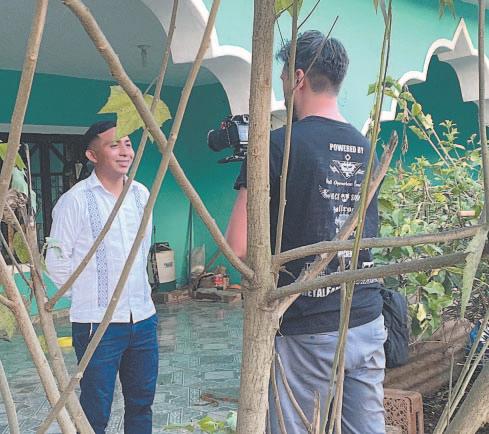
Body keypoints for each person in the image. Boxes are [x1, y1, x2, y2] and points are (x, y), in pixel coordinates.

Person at [226, 31, 386, 434]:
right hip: (366, 316)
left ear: (298, 77)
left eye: (283, 75)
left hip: (307, 326)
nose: (281, 83)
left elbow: (238, 246)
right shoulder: (368, 149)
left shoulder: (276, 146)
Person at [46, 121, 158, 434]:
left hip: (143, 319)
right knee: (95, 412)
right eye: (113, 145)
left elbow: (142, 250)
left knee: (141, 404)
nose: (125, 152)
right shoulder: (75, 201)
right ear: (92, 155)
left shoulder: (141, 194)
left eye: (128, 144)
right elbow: (55, 261)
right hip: (97, 324)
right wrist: (90, 295)